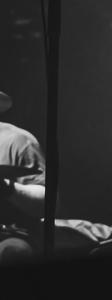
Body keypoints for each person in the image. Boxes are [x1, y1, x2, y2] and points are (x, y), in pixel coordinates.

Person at [0, 91, 45, 260]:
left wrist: (6, 188)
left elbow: (49, 204)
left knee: (14, 252)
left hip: (10, 234)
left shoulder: (19, 141)